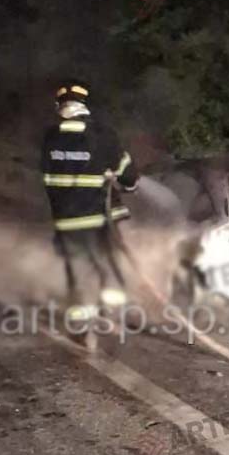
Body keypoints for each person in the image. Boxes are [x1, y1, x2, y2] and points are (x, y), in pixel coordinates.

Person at [41, 80, 138, 344]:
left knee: (76, 271)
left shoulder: (50, 138)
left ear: (59, 106)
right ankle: (114, 312)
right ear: (84, 105)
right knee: (107, 264)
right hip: (97, 219)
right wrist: (121, 182)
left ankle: (80, 327)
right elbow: (129, 176)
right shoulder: (102, 135)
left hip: (65, 222)